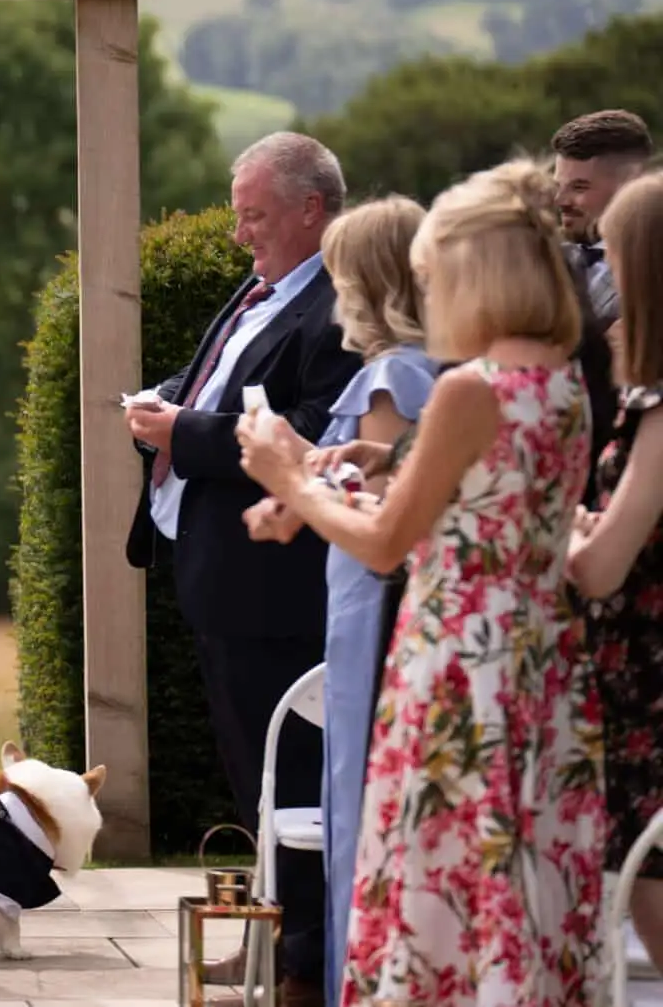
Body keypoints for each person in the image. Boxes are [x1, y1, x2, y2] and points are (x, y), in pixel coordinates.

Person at [238, 159, 604, 1007]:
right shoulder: (560, 380)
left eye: (437, 279)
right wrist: (352, 475)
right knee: (519, 892)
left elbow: (386, 542)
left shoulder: (471, 388)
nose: (431, 298)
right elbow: (483, 511)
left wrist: (287, 475)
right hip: (541, 669)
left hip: (458, 675)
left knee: (439, 898)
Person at [122, 131, 359, 1004]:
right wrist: (167, 398)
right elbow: (220, 378)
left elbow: (306, 425)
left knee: (292, 775)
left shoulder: (334, 307)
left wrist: (180, 433)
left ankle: (301, 957)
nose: (238, 236)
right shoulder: (267, 287)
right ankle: (271, 941)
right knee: (252, 772)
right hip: (221, 577)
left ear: (311, 209)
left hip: (275, 587)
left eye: (254, 216)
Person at [244, 196, 438, 1003]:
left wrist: (290, 475)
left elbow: (385, 508)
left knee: (360, 801)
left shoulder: (395, 374)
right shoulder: (412, 369)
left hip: (372, 599)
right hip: (361, 593)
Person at [568, 169, 663, 970]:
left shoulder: (661, 407)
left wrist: (556, 524)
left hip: (648, 689)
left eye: (611, 257)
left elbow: (600, 568)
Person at [552, 107, 652, 324]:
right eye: (558, 186)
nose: (560, 201)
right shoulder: (546, 259)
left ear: (630, 185)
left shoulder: (650, 271)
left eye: (579, 187)